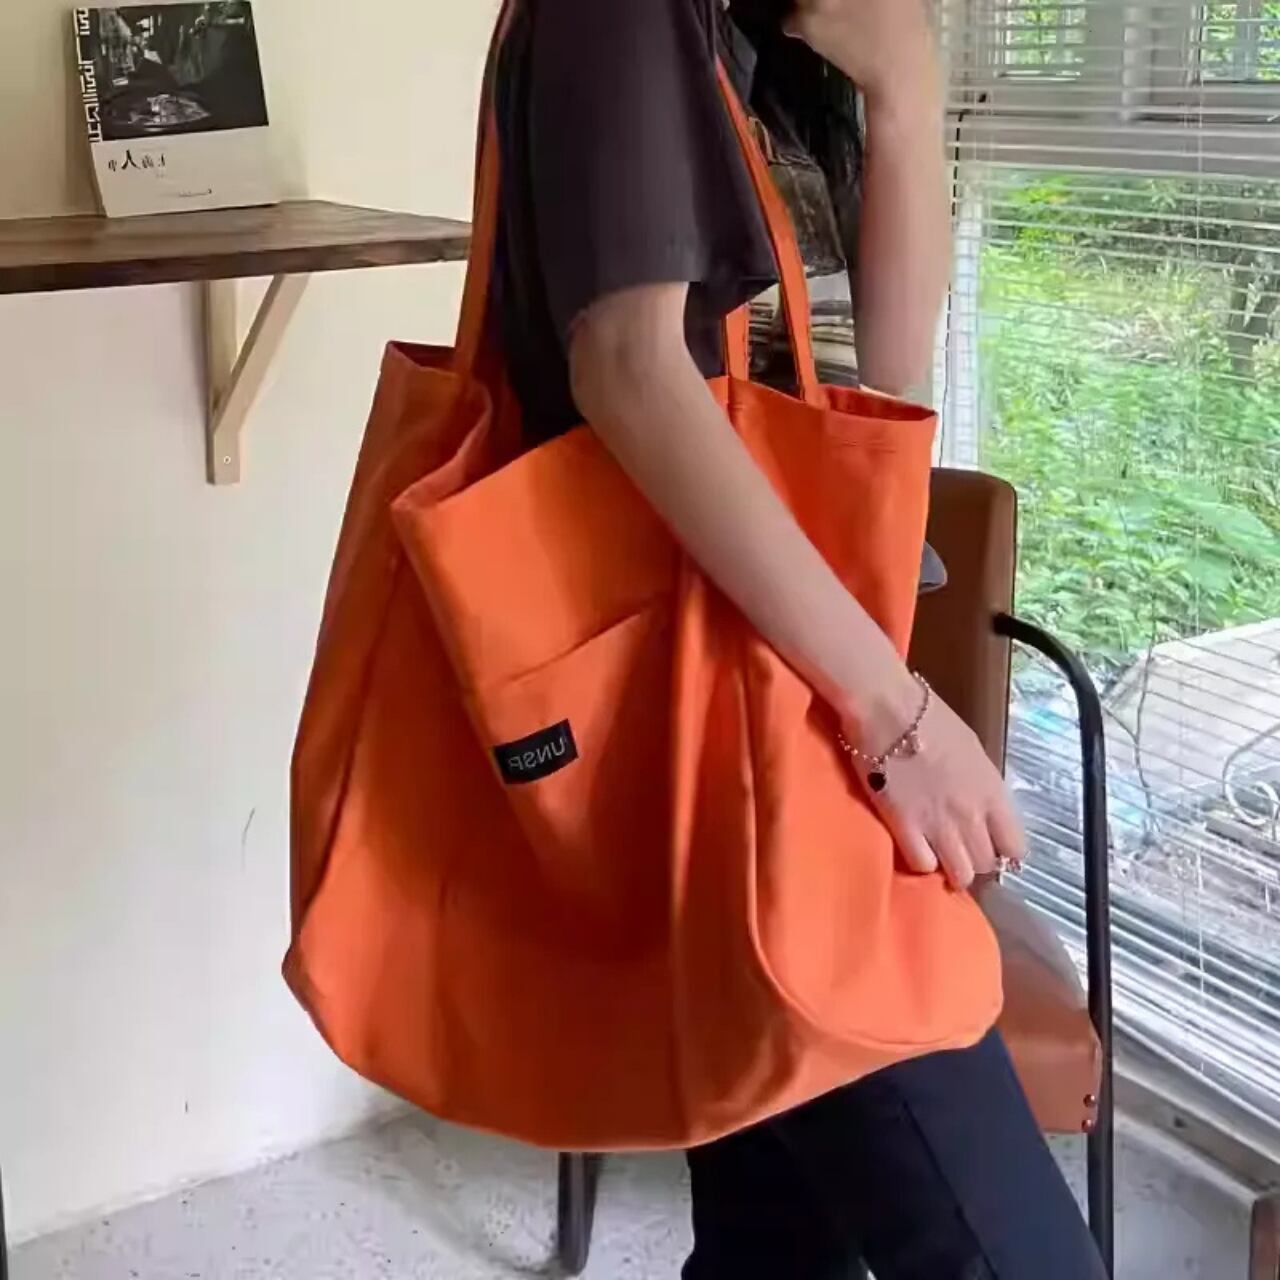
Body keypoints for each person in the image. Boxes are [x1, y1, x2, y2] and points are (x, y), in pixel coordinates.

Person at [492, 1, 1109, 1276]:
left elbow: (885, 376)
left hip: (790, 691)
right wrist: (896, 716)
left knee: (779, 1237)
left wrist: (903, 90)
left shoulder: (763, 43)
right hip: (732, 715)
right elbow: (627, 367)